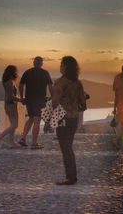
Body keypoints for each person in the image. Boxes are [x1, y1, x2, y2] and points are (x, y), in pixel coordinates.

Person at [52, 56, 86, 185]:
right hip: (74, 118)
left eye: (61, 64)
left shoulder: (60, 82)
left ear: (65, 67)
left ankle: (70, 177)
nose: (60, 67)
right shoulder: (78, 83)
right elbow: (82, 101)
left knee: (65, 148)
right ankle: (72, 176)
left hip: (62, 118)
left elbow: (55, 102)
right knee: (68, 147)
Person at [18, 57, 53, 149]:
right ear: (41, 64)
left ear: (34, 63)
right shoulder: (45, 73)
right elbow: (50, 86)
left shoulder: (27, 72)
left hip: (29, 99)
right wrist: (52, 96)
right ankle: (34, 143)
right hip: (40, 99)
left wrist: (22, 98)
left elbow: (21, 86)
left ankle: (23, 138)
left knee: (31, 118)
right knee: (37, 120)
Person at [0, 65, 23, 148]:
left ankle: (12, 142)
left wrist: (18, 100)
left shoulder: (9, 81)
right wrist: (21, 100)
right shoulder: (10, 82)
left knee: (13, 125)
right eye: (16, 71)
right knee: (15, 125)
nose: (17, 73)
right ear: (13, 72)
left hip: (11, 105)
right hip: (10, 105)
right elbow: (10, 97)